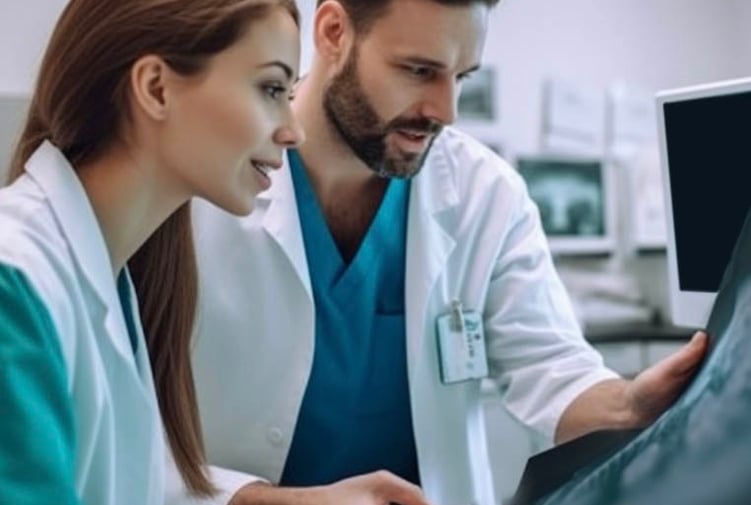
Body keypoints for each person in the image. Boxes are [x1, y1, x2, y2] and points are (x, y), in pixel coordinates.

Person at [188, 1, 708, 504]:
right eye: (418, 70)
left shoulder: (486, 195)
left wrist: (629, 404)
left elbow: (550, 367)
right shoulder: (205, 186)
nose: (446, 111)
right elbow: (133, 419)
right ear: (332, 33)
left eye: (462, 78)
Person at [0, 0, 303, 504]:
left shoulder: (113, 283)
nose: (294, 130)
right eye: (271, 89)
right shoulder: (17, 280)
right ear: (155, 88)